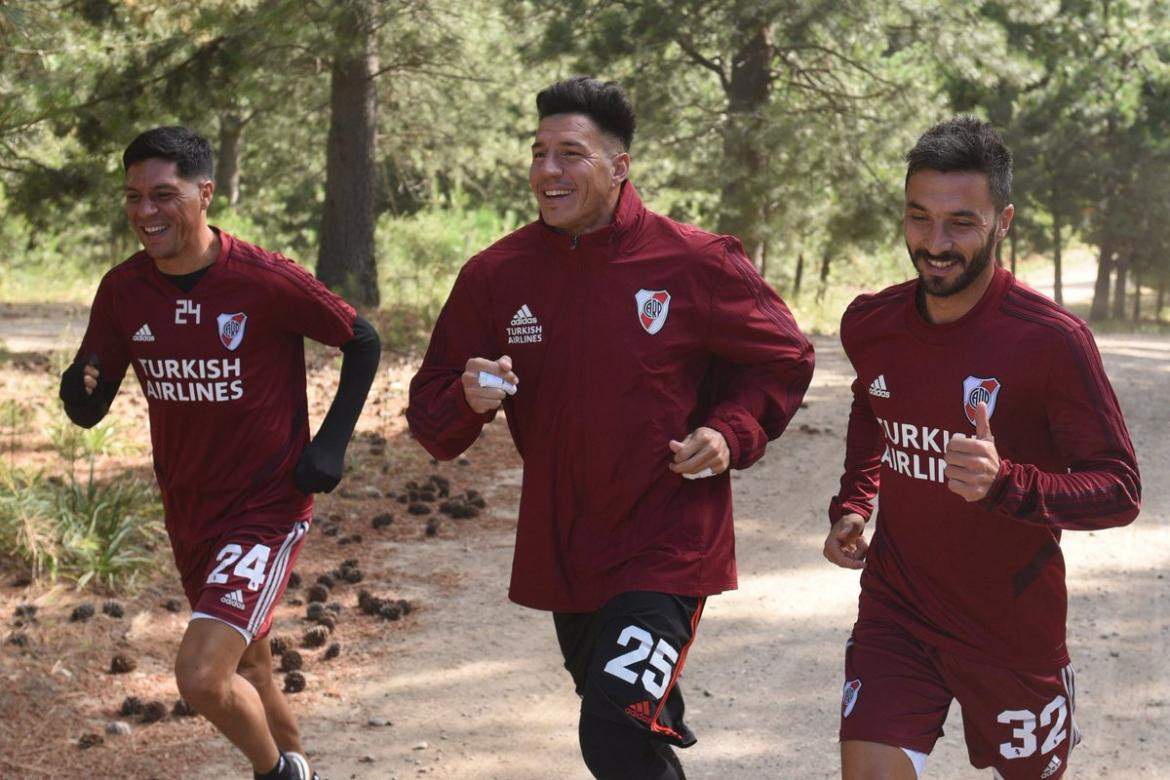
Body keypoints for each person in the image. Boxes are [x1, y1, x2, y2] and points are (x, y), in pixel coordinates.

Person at [407, 76, 814, 779]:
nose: (548, 171)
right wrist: (469, 399)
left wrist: (730, 431)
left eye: (571, 153)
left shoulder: (696, 261)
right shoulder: (496, 275)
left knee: (615, 727)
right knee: (635, 736)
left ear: (620, 165)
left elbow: (785, 357)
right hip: (567, 549)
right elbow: (432, 417)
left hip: (668, 542)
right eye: (539, 153)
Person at [823, 116, 1141, 779]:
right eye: (919, 218)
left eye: (961, 223)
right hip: (898, 608)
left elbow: (1119, 489)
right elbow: (871, 403)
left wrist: (1008, 484)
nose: (935, 243)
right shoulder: (871, 324)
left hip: (1012, 630)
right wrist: (855, 502)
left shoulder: (1050, 340)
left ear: (1004, 221)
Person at [60, 126, 381, 780]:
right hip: (190, 509)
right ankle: (303, 769)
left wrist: (331, 444)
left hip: (266, 506)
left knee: (202, 678)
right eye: (132, 197)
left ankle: (277, 776)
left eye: (162, 195)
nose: (144, 212)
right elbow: (94, 391)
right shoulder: (124, 290)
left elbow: (362, 339)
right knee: (252, 670)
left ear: (205, 193)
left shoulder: (263, 279)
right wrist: (79, 392)